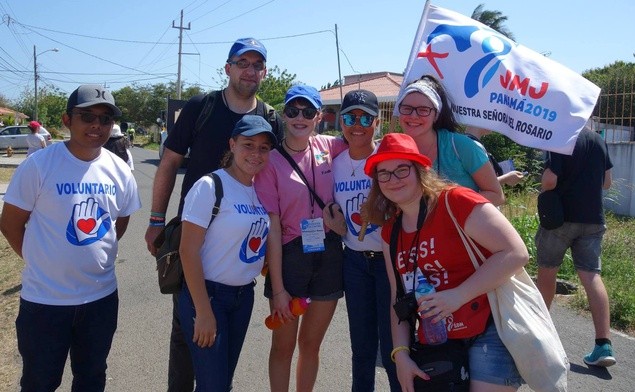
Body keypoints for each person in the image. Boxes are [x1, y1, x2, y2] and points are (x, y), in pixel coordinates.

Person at [143, 37, 284, 392]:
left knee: (217, 366)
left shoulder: (268, 117)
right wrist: (157, 220)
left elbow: (281, 173)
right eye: (242, 63)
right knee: (185, 335)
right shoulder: (201, 106)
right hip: (193, 238)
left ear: (263, 72)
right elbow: (170, 162)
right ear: (228, 68)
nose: (249, 71)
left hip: (236, 244)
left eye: (256, 65)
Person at [0, 84, 141, 391]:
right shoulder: (39, 165)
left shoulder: (119, 170)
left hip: (100, 300)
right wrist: (42, 260)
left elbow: (122, 219)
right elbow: (10, 224)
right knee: (39, 382)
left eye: (105, 119)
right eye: (87, 116)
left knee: (91, 379)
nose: (96, 125)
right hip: (45, 302)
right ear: (67, 120)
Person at [364, 133, 528, 391]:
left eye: (401, 169)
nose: (392, 179)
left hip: (489, 327)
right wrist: (401, 354)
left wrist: (457, 296)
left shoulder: (456, 201)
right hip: (438, 339)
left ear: (420, 170)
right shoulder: (390, 233)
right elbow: (399, 297)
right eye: (383, 173)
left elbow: (516, 253)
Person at [254, 85, 347, 392]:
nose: (300, 117)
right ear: (284, 114)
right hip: (290, 258)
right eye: (293, 111)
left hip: (330, 255)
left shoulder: (328, 146)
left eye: (308, 112)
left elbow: (366, 146)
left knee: (311, 345)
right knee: (283, 346)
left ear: (319, 117)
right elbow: (274, 229)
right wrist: (278, 288)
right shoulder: (270, 162)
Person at [179, 115, 277, 391]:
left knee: (222, 381)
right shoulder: (210, 186)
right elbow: (188, 251)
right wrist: (204, 310)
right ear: (232, 144)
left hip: (243, 297)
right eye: (248, 144)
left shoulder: (261, 191)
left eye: (263, 147)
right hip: (208, 296)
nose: (256, 153)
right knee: (214, 385)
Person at [331, 89, 400, 391]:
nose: (356, 124)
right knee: (361, 348)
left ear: (377, 122)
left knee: (394, 347)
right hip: (354, 262)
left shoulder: (388, 160)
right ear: (340, 121)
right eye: (350, 117)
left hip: (389, 263)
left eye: (365, 118)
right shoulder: (333, 164)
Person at [535, 128, 615, 367]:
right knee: (591, 277)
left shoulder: (560, 135)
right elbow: (607, 183)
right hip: (593, 219)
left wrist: (541, 185)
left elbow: (550, 180)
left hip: (560, 219)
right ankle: (604, 345)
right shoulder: (598, 140)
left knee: (547, 272)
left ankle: (539, 336)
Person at [395, 75, 504, 205]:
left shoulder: (462, 147)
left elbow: (497, 196)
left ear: (436, 115)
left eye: (423, 110)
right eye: (407, 108)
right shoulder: (393, 150)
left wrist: (447, 207)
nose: (413, 116)